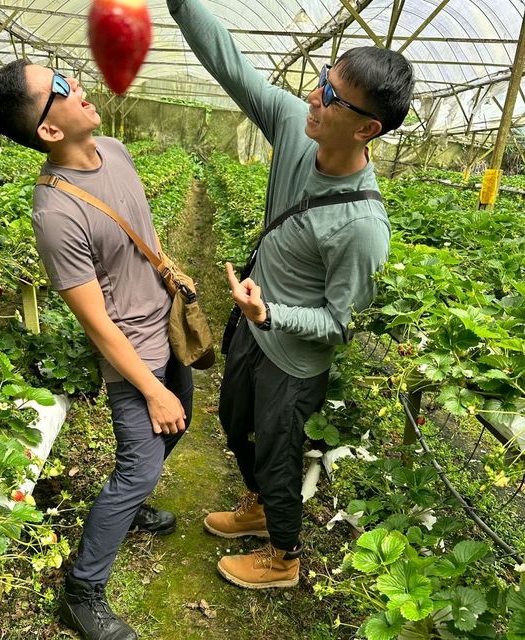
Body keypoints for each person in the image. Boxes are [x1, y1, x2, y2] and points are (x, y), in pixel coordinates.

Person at [167, 0, 414, 589]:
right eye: (321, 84)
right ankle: (256, 507)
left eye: (331, 97)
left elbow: (338, 323)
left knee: (279, 452)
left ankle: (284, 557)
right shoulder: (296, 131)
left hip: (294, 359)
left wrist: (272, 311)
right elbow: (233, 65)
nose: (313, 98)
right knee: (233, 420)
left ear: (366, 128)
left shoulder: (361, 226)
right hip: (254, 329)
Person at [0, 60, 193, 640]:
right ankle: (82, 591)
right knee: (138, 466)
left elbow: (141, 235)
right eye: (60, 88)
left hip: (166, 323)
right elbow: (97, 324)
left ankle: (130, 509)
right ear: (48, 130)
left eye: (68, 75)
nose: (77, 86)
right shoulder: (57, 213)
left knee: (182, 424)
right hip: (134, 351)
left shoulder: (115, 150)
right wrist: (150, 389)